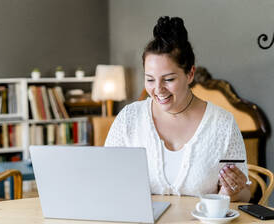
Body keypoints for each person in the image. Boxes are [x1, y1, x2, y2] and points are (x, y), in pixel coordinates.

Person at [105, 16, 250, 202]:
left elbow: (245, 193)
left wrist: (233, 191)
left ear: (190, 74)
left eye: (168, 79)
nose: (158, 89)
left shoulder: (223, 124)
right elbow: (107, 178)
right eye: (150, 79)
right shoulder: (128, 118)